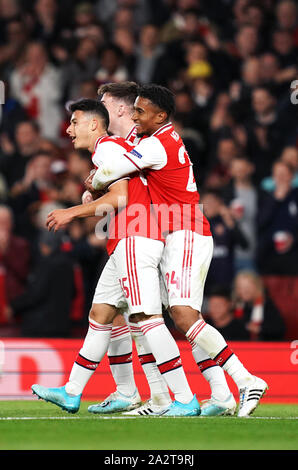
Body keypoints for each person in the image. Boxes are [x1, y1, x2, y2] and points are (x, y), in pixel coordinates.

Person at [90, 83, 268, 417]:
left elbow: (113, 171)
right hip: (176, 233)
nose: (136, 116)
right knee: (184, 319)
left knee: (184, 315)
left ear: (161, 115)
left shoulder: (157, 144)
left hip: (185, 232)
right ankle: (220, 394)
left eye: (141, 111)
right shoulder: (160, 140)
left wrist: (94, 182)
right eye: (135, 109)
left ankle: (245, 380)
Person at [32, 98, 200, 417]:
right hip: (126, 241)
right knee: (101, 313)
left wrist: (74, 211)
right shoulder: (109, 151)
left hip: (136, 239)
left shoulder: (107, 148)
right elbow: (121, 191)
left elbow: (121, 197)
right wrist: (95, 191)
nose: (68, 130)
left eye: (74, 122)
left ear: (94, 124)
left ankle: (185, 397)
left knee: (146, 319)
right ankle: (72, 392)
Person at [232, 271, 286, 341]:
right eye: (240, 287)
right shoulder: (235, 306)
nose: (243, 291)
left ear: (257, 287)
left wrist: (259, 329)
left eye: (247, 287)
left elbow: (280, 329)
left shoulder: (266, 305)